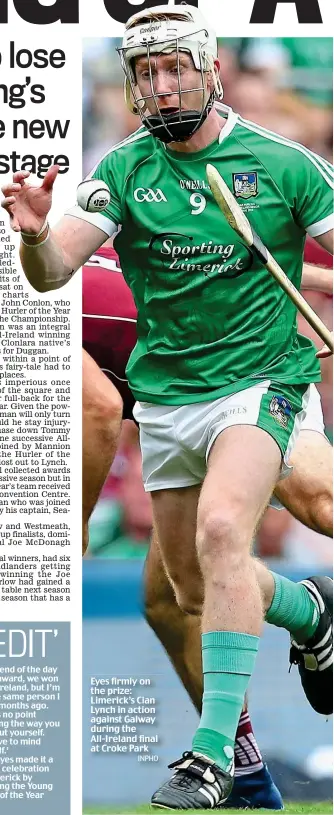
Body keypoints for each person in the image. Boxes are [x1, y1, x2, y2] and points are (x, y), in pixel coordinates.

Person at [2, 5, 333, 808]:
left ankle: (213, 755)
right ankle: (310, 610)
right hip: (170, 398)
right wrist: (34, 236)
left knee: (227, 525)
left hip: (260, 381)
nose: (159, 85)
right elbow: (50, 276)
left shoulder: (283, 165)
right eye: (145, 73)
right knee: (189, 587)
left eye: (172, 68)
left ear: (207, 67)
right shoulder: (122, 172)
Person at [83, 242, 332, 809]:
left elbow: (96, 406)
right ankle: (245, 776)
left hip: (241, 367)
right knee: (177, 595)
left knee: (322, 506)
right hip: (173, 403)